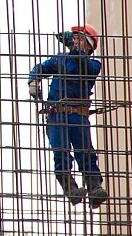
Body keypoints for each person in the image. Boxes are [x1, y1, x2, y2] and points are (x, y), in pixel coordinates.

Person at [28, 24, 109, 209]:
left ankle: (94, 188)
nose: (75, 41)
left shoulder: (93, 64)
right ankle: (71, 189)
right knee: (61, 152)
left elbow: (84, 64)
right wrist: (33, 80)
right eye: (74, 38)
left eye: (79, 38)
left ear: (89, 45)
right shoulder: (60, 60)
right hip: (57, 115)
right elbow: (40, 68)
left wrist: (73, 48)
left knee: (86, 152)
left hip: (78, 116)